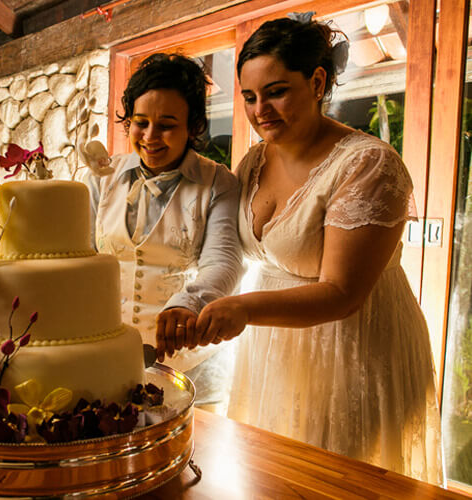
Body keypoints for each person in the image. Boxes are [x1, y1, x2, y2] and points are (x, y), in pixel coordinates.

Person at [157, 15, 442, 482]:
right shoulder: (254, 161)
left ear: (316, 81)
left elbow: (343, 292)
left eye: (276, 91)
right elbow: (231, 253)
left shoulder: (368, 164)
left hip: (353, 350)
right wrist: (194, 299)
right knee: (272, 478)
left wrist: (243, 309)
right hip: (275, 351)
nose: (259, 109)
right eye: (249, 97)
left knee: (338, 483)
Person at [85, 53, 242, 410]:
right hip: (110, 357)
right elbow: (81, 257)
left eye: (167, 124)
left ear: (194, 126)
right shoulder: (102, 179)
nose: (150, 136)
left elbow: (224, 260)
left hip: (194, 364)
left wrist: (189, 303)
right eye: (141, 122)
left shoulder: (219, 183)